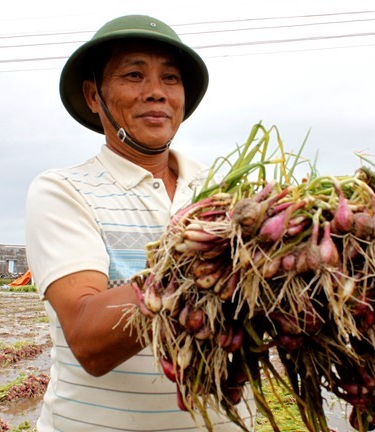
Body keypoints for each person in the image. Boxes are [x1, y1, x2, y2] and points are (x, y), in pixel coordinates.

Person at [25, 15, 253, 431]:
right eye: (134, 75)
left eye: (170, 78)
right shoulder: (63, 191)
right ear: (94, 96)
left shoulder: (224, 192)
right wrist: (200, 266)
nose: (156, 93)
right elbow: (87, 336)